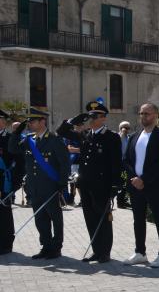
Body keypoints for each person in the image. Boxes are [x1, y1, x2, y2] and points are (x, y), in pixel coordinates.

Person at [56, 101, 123, 263]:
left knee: (103, 219)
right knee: (90, 219)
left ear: (103, 118)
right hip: (85, 185)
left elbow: (116, 163)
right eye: (89, 116)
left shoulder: (111, 137)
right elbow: (61, 132)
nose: (91, 119)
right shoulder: (85, 134)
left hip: (102, 185)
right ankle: (96, 250)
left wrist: (115, 184)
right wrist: (73, 121)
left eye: (95, 116)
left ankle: (104, 252)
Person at [9, 108, 70, 259]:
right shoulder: (29, 139)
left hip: (51, 186)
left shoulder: (54, 139)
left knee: (55, 217)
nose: (29, 124)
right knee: (40, 218)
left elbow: (64, 163)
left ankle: (56, 247)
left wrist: (62, 184)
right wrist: (17, 133)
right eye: (28, 121)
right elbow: (13, 149)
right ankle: (46, 245)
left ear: (42, 121)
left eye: (32, 121)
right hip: (34, 187)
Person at [122, 103, 159, 267]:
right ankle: (140, 252)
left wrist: (143, 179)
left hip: (154, 186)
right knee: (138, 219)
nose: (144, 116)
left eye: (147, 113)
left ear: (156, 115)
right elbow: (126, 160)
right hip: (136, 186)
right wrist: (134, 178)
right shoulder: (135, 136)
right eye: (141, 113)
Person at [0, 110, 25, 254]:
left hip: (4, 182)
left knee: (4, 214)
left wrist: (16, 183)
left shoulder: (10, 139)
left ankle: (6, 244)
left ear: (4, 122)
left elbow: (20, 163)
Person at [117, 121, 132, 208]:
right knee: (121, 183)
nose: (126, 130)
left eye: (128, 128)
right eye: (125, 128)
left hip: (127, 163)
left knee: (126, 183)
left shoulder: (129, 137)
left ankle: (124, 200)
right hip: (120, 163)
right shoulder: (118, 137)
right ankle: (120, 202)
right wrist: (122, 133)